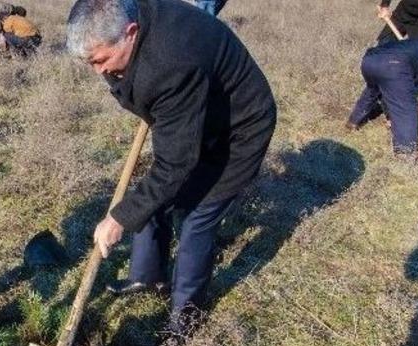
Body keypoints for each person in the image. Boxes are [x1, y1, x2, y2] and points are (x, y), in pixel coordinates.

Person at [66, 0, 276, 328]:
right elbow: (170, 159)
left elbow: (176, 165)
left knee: (197, 216)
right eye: (90, 63)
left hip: (238, 128)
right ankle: (147, 276)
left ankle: (185, 318)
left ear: (131, 33)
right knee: (153, 197)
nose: (100, 71)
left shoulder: (171, 63)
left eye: (101, 60)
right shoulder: (130, 17)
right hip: (194, 112)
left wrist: (119, 218)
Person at [347, 39, 418, 164]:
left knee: (372, 90)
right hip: (394, 63)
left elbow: (391, 89)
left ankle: (353, 122)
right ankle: (405, 153)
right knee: (406, 106)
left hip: (369, 61)